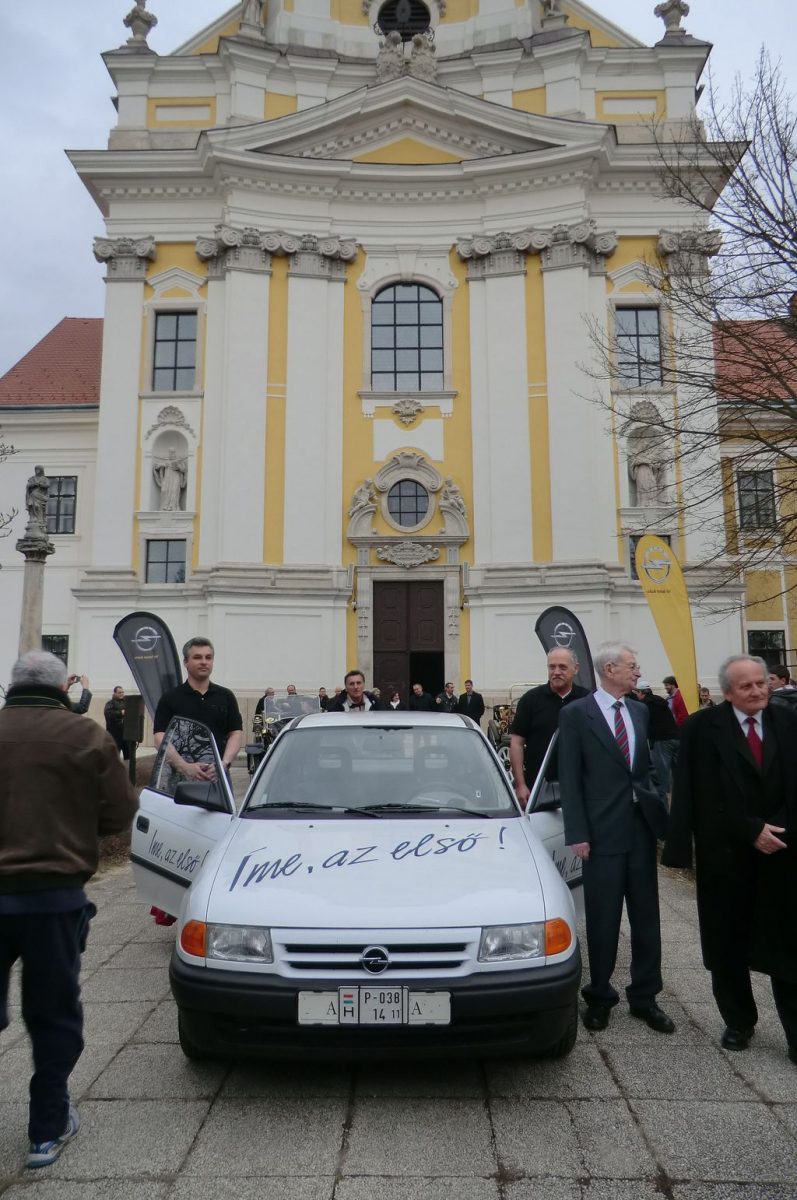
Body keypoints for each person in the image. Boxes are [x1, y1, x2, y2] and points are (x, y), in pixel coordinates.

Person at [0, 650, 137, 1169]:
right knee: (53, 1013)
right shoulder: (86, 736)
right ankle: (46, 1128)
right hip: (53, 897)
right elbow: (119, 813)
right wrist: (74, 826)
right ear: (63, 689)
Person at [662, 655, 797, 1062]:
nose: (757, 691)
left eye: (761, 683)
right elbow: (698, 792)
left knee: (788, 944)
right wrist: (749, 830)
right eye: (746, 686)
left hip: (783, 850)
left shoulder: (789, 721)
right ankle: (739, 1021)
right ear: (727, 692)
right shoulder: (702, 729)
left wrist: (778, 828)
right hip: (726, 853)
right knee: (727, 942)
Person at [558, 641, 673, 1034]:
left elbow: (646, 766)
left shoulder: (639, 710)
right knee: (603, 918)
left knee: (647, 918)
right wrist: (577, 833)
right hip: (600, 834)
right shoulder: (577, 714)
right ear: (609, 670)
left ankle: (645, 997)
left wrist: (653, 798)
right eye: (632, 665)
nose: (638, 672)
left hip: (640, 829)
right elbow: (570, 778)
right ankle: (599, 996)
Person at [509, 648, 589, 806]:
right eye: (552, 667)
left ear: (576, 669)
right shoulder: (530, 700)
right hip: (538, 788)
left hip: (580, 788)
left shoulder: (588, 700)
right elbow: (516, 744)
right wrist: (520, 784)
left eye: (562, 667)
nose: (556, 672)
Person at [153, 638, 243, 777]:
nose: (204, 662)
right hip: (179, 779)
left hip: (218, 777)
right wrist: (184, 766)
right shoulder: (170, 698)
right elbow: (160, 737)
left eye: (208, 657)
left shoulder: (226, 696)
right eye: (197, 657)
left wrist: (223, 764)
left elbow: (235, 733)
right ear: (185, 662)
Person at [634, 679, 679, 798]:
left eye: (637, 693)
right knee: (679, 771)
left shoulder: (644, 704)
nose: (636, 696)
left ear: (641, 692)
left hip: (661, 740)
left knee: (661, 774)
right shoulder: (660, 700)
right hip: (675, 737)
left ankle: (663, 800)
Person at [103, 685, 129, 759]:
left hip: (126, 735)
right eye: (119, 692)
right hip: (114, 735)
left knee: (128, 756)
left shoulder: (127, 702)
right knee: (114, 757)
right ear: (114, 693)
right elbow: (108, 713)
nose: (121, 694)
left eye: (122, 692)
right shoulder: (110, 703)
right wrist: (120, 713)